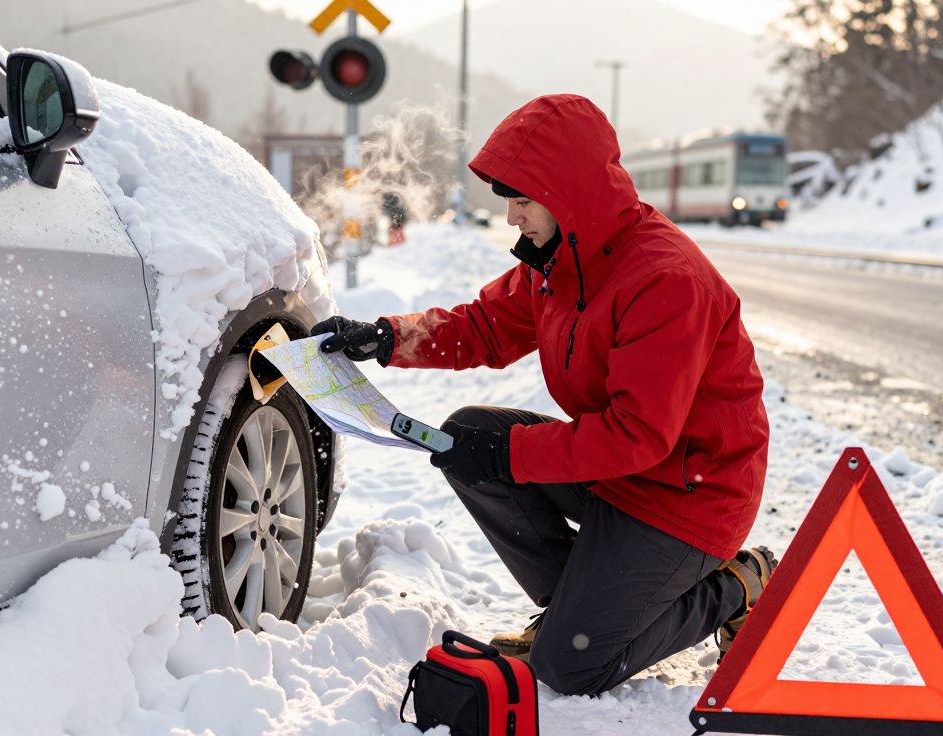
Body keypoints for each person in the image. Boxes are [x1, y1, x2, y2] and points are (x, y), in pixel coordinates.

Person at [310, 94, 775, 697]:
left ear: (570, 194)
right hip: (620, 473)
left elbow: (638, 435)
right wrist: (383, 337)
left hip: (689, 494)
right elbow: (483, 326)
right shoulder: (560, 260)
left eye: (523, 200)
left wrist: (510, 456)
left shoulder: (665, 281)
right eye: (509, 200)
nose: (511, 217)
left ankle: (737, 583)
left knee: (570, 667)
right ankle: (579, 613)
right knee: (466, 435)